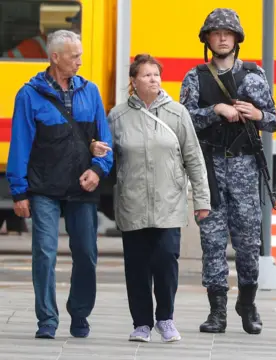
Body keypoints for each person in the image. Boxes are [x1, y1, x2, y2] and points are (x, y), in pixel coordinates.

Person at [6, 29, 113, 339]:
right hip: (44, 189)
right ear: (55, 57)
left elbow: (105, 142)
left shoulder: (90, 92)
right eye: (74, 56)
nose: (80, 61)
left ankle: (79, 314)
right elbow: (20, 145)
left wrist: (97, 169)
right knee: (44, 253)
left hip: (83, 188)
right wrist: (19, 191)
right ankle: (47, 320)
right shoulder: (29, 94)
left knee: (86, 253)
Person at [179, 8, 276, 335]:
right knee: (212, 242)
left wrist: (257, 113)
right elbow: (184, 119)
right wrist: (215, 110)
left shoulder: (254, 75)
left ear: (236, 39)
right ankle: (217, 310)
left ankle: (247, 304)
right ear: (207, 39)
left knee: (249, 243)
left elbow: (274, 120)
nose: (222, 38)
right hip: (209, 168)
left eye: (228, 33)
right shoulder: (195, 77)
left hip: (246, 170)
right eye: (216, 33)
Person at [107, 54, 211, 343]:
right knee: (136, 264)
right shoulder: (117, 116)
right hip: (133, 201)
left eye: (156, 74)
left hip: (169, 201)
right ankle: (141, 323)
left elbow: (194, 158)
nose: (153, 79)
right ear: (134, 81)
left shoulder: (178, 113)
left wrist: (202, 200)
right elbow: (107, 158)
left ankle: (165, 318)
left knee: (166, 260)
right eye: (147, 75)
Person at [2, 10, 81, 60]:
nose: (72, 26)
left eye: (75, 23)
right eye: (72, 23)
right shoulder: (46, 40)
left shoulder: (33, 44)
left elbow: (5, 59)